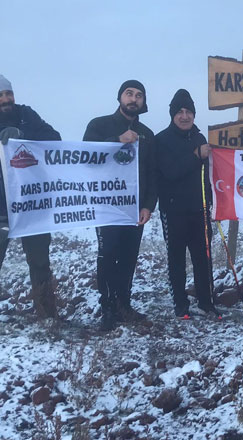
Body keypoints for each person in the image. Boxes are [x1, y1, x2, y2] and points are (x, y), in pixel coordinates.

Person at [0, 75, 61, 332]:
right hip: (0, 207)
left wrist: (22, 134)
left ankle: (46, 314)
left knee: (40, 261)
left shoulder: (26, 116)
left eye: (8, 93)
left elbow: (55, 139)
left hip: (32, 203)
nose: (6, 99)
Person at [83, 80, 158, 331]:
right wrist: (117, 140)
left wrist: (148, 205)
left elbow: (152, 173)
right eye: (129, 94)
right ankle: (107, 309)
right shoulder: (99, 125)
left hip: (134, 207)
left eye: (139, 95)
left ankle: (124, 305)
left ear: (143, 102)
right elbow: (85, 157)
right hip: (105, 205)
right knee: (108, 256)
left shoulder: (147, 134)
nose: (133, 99)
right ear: (120, 98)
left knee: (128, 257)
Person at [155, 89, 220, 320]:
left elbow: (208, 176)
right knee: (176, 259)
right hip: (173, 210)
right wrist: (195, 156)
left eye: (188, 112)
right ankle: (180, 304)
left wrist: (214, 203)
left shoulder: (200, 138)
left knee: (203, 257)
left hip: (199, 209)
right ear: (173, 115)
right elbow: (170, 172)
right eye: (180, 112)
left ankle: (206, 302)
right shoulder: (161, 140)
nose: (184, 116)